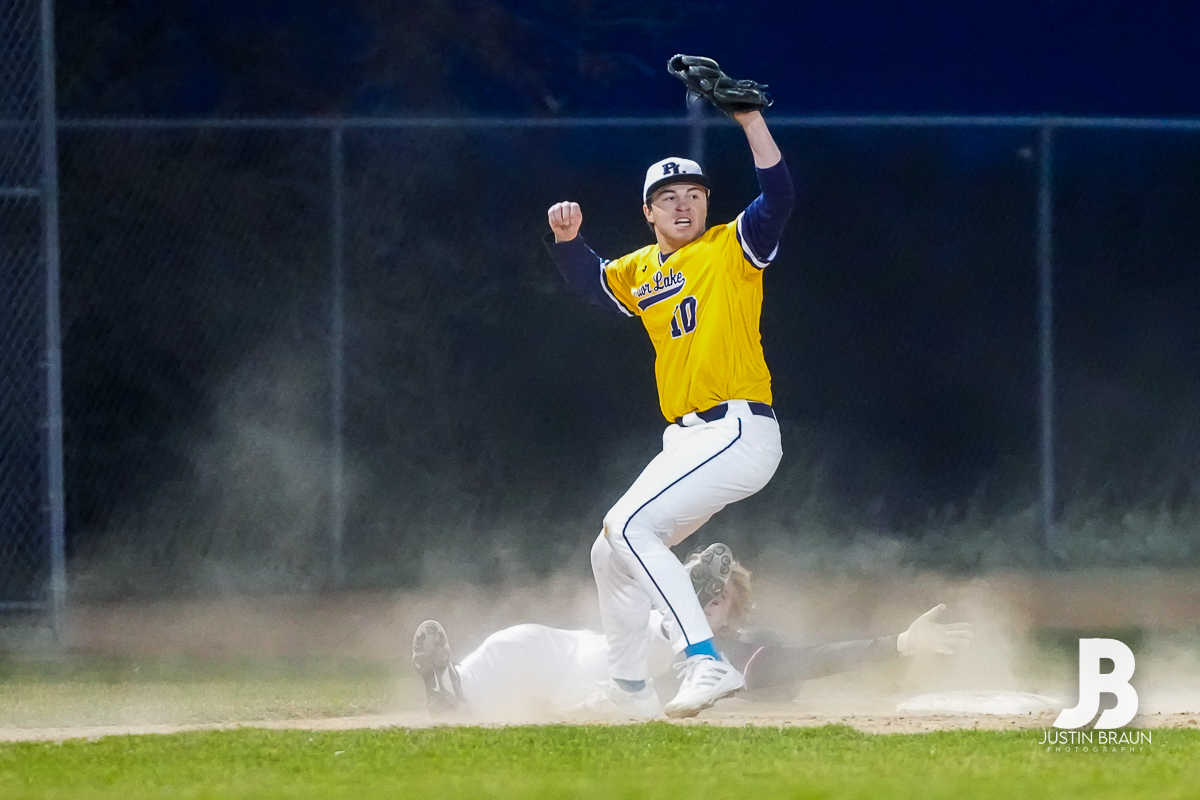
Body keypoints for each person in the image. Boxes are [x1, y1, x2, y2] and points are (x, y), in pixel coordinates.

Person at [543, 105, 795, 718]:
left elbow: (780, 196)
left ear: (707, 205)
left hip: (737, 429)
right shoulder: (642, 269)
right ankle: (629, 690)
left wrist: (750, 121)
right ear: (649, 211)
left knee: (630, 528)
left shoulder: (729, 248)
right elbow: (595, 283)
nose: (684, 205)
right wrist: (567, 243)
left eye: (695, 194)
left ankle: (704, 661)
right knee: (611, 551)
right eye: (669, 196)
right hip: (685, 443)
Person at [411, 543, 974, 720]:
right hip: (591, 654)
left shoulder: (744, 651)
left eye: (717, 594)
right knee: (521, 640)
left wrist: (896, 645)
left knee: (670, 636)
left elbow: (813, 657)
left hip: (633, 675)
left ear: (734, 611)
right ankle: (449, 688)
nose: (712, 601)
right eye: (703, 590)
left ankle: (679, 603)